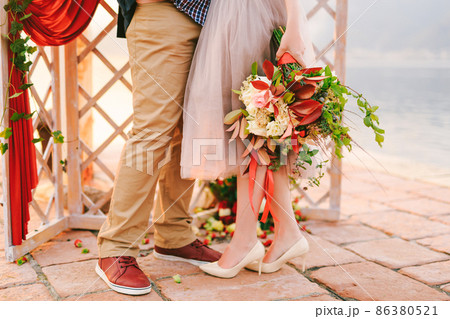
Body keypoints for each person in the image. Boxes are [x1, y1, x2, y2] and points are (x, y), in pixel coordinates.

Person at [180, 0, 315, 278]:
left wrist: (295, 21)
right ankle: (286, 230)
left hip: (251, 13)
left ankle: (245, 241)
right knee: (261, 120)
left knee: (254, 120)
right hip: (231, 13)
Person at [96, 0, 221, 295]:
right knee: (151, 132)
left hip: (210, 19)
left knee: (188, 131)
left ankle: (174, 234)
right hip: (162, 11)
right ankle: (116, 247)